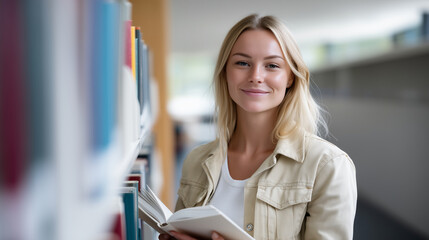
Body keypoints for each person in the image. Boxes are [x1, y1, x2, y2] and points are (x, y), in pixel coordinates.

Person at [160, 14, 357, 240]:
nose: (256, 76)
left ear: (290, 78)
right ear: (226, 72)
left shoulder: (327, 166)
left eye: (272, 65)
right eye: (242, 63)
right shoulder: (197, 160)